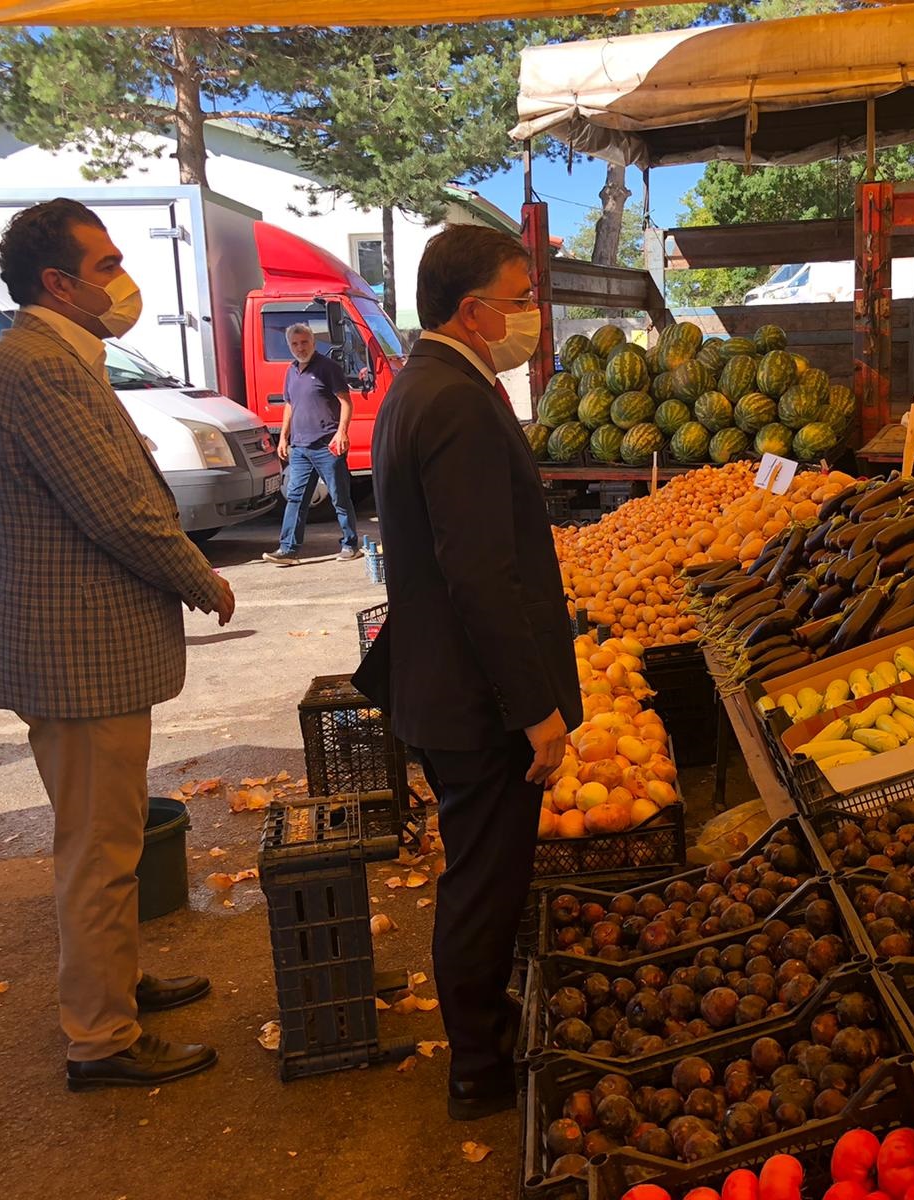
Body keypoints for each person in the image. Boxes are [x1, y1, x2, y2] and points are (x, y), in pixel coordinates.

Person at [0, 198, 235, 1090]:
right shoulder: (39, 368)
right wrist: (203, 580)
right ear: (57, 284)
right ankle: (101, 1037)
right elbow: (117, 506)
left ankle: (114, 986)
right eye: (107, 265)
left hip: (85, 652)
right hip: (74, 655)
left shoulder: (56, 358)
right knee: (96, 848)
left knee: (110, 838)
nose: (124, 282)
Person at [371, 224, 581, 1120]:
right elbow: (478, 574)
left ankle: (482, 1041)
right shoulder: (453, 399)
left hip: (450, 682)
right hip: (474, 696)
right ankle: (480, 1070)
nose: (531, 314)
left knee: (481, 873)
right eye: (522, 298)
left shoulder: (425, 386)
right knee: (483, 882)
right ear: (473, 310)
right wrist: (533, 707)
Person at [262, 322, 362, 565]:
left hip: (327, 445)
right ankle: (288, 550)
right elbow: (289, 405)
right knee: (296, 498)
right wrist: (284, 437)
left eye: (304, 342)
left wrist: (342, 433)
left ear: (313, 342)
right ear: (289, 346)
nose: (300, 348)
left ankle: (350, 545)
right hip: (300, 447)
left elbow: (346, 402)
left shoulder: (328, 368)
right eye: (295, 344)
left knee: (339, 497)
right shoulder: (291, 371)